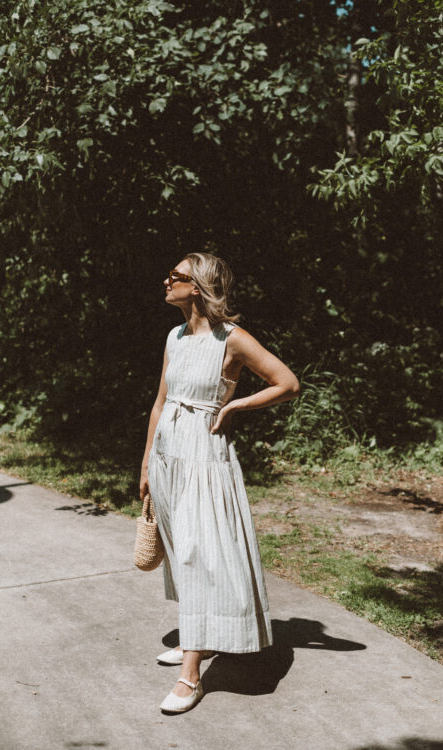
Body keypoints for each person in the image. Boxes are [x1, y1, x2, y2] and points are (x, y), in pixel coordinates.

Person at [140, 252, 300, 713]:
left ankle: (190, 676)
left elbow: (286, 382)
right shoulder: (174, 336)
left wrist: (235, 406)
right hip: (170, 455)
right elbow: (158, 403)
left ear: (198, 287)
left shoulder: (232, 339)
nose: (166, 280)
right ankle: (201, 637)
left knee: (199, 552)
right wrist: (147, 463)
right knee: (180, 551)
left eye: (176, 276)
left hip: (206, 459)